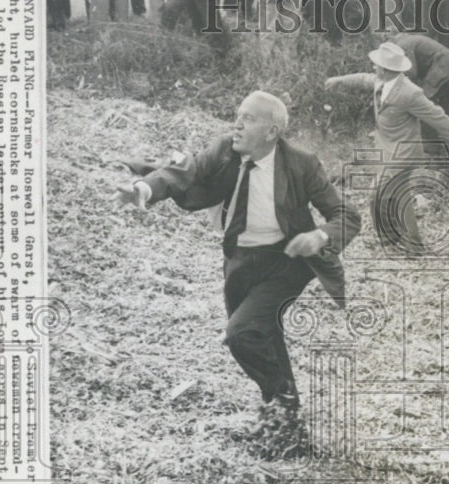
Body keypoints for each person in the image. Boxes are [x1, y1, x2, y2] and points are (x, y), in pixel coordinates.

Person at [114, 91, 361, 420]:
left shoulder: (301, 164)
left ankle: (281, 401)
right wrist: (144, 189)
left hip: (286, 262)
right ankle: (285, 412)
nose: (237, 124)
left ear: (271, 132)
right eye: (238, 115)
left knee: (240, 334)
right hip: (239, 261)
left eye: (249, 118)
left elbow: (347, 216)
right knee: (262, 333)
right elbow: (182, 172)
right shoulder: (224, 150)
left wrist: (319, 236)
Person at [325, 43, 449, 255]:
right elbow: (363, 79)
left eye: (376, 65)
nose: (373, 67)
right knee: (399, 196)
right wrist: (339, 80)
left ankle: (396, 241)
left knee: (378, 194)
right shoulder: (381, 81)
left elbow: (437, 116)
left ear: (384, 69)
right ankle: (407, 243)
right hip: (387, 151)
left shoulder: (410, 93)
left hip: (403, 155)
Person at [389, 32, 449, 143]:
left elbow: (410, 72)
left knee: (423, 104)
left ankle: (429, 141)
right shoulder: (413, 39)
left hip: (443, 68)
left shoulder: (402, 45)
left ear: (390, 39)